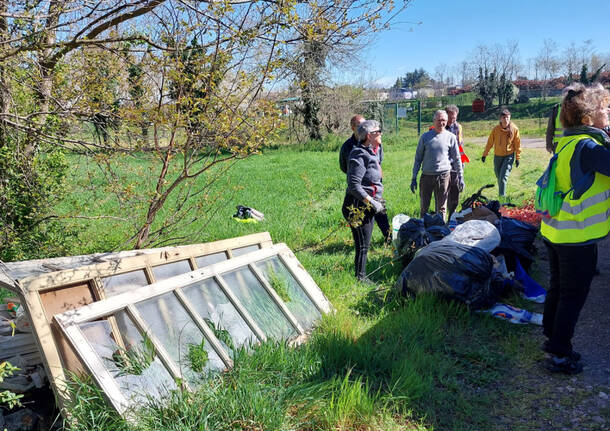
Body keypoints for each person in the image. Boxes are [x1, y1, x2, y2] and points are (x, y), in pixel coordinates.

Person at [539, 82, 610, 374]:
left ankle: (552, 337)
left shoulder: (568, 142)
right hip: (576, 236)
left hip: (556, 231)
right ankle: (559, 353)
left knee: (558, 288)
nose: (609, 112)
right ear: (587, 119)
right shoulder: (590, 147)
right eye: (605, 109)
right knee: (573, 295)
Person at [342, 120, 386, 282]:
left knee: (364, 243)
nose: (381, 133)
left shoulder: (372, 151)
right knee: (363, 244)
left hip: (367, 203)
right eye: (378, 131)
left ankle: (361, 276)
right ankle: (360, 278)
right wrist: (372, 202)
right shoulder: (359, 154)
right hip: (357, 205)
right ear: (369, 135)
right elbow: (354, 185)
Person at [340, 115, 390, 242]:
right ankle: (363, 239)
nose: (362, 127)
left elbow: (379, 161)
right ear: (353, 128)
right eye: (359, 126)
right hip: (361, 191)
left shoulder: (376, 144)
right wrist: (361, 177)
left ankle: (388, 238)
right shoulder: (349, 147)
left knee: (381, 212)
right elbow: (345, 168)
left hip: (374, 187)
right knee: (363, 235)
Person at [411, 110, 463, 220]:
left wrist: (461, 176)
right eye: (439, 120)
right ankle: (423, 231)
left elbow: (457, 158)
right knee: (424, 207)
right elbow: (418, 158)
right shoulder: (425, 137)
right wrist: (414, 177)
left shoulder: (451, 137)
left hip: (444, 176)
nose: (441, 123)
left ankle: (441, 231)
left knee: (441, 208)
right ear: (434, 121)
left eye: (444, 120)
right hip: (427, 176)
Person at [481, 109, 521, 197]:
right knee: (498, 175)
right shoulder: (496, 130)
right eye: (504, 117)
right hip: (498, 156)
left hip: (509, 156)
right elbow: (490, 143)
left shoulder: (514, 129)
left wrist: (518, 158)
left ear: (510, 118)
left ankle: (502, 199)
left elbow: (517, 144)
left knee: (503, 178)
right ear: (500, 119)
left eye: (507, 118)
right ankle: (502, 191)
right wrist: (485, 154)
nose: (506, 119)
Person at [445, 104, 469, 218]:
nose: (452, 120)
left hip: (455, 162)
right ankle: (443, 213)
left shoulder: (458, 127)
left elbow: (459, 146)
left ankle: (452, 213)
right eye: (450, 118)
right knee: (444, 189)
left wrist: (461, 165)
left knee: (455, 189)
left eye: (454, 118)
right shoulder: (440, 127)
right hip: (444, 163)